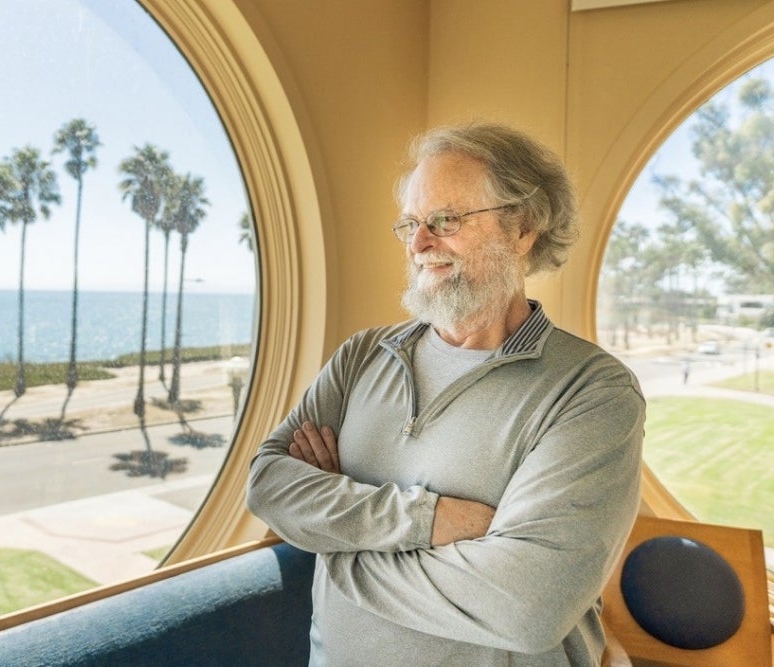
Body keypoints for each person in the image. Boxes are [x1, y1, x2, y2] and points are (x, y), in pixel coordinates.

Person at [245, 122, 645, 666]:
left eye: (444, 220)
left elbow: (527, 608)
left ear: (522, 228)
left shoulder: (593, 392)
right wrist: (426, 520)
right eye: (410, 223)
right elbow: (268, 483)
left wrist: (334, 544)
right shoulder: (363, 354)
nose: (418, 244)